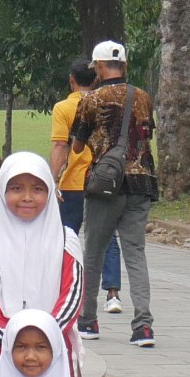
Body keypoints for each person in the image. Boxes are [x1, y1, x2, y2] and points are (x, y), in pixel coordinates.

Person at [69, 40, 156, 347]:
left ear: (101, 67)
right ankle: (143, 326)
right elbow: (145, 135)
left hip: (105, 185)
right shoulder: (143, 97)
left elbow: (77, 146)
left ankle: (88, 320)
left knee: (93, 250)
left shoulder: (92, 99)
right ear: (125, 65)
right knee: (135, 252)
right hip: (142, 182)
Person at [0, 153, 84, 377]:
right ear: (3, 192)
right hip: (1, 345)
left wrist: (45, 339)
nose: (27, 197)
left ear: (50, 193)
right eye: (16, 189)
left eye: (37, 189)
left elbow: (72, 294)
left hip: (56, 344)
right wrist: (11, 339)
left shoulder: (65, 239)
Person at [50, 59, 124, 314]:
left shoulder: (63, 108)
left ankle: (67, 290)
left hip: (73, 182)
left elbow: (61, 145)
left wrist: (53, 177)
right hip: (104, 180)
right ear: (95, 80)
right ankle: (113, 293)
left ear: (71, 80)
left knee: (67, 237)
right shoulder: (106, 104)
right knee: (107, 236)